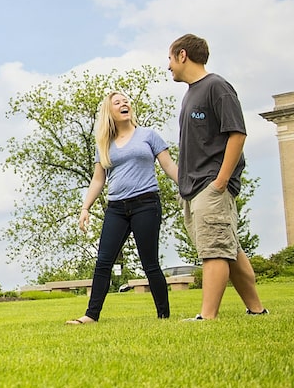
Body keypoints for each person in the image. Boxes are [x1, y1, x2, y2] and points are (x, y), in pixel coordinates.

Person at [167, 33, 268, 320]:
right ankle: (257, 310)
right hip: (194, 187)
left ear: (182, 55)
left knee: (214, 252)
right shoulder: (190, 94)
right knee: (229, 249)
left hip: (211, 185)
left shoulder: (217, 87)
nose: (169, 67)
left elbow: (237, 133)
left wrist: (220, 181)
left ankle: (207, 316)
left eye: (170, 59)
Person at [66, 91, 178, 324]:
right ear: (110, 112)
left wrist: (189, 188)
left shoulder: (148, 135)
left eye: (126, 101)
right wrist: (85, 207)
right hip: (116, 208)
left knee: (150, 262)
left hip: (146, 203)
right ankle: (91, 315)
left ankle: (163, 316)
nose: (124, 103)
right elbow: (99, 179)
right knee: (103, 261)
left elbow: (169, 166)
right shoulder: (104, 144)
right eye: (117, 103)